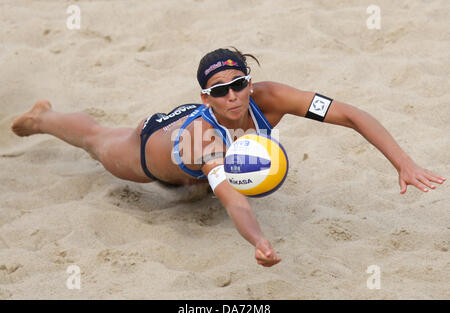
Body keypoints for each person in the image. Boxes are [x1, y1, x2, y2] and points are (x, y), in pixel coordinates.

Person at [11, 47, 446, 267]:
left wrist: (403, 163)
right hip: (152, 153)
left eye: (239, 84)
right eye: (221, 91)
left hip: (201, 158)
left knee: (205, 178)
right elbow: (235, 201)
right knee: (98, 140)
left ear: (249, 81)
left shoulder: (269, 97)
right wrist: (258, 240)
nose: (233, 96)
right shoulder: (206, 138)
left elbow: (348, 114)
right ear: (206, 95)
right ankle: (41, 119)